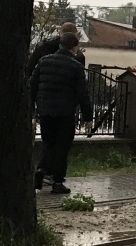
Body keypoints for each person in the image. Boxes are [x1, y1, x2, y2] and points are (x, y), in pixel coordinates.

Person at [29, 29, 92, 194]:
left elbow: (32, 85)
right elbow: (83, 93)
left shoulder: (44, 61)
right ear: (74, 47)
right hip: (65, 112)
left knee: (48, 143)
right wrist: (88, 117)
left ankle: (41, 169)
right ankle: (57, 182)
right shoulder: (75, 66)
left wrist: (32, 107)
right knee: (62, 146)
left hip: (45, 111)